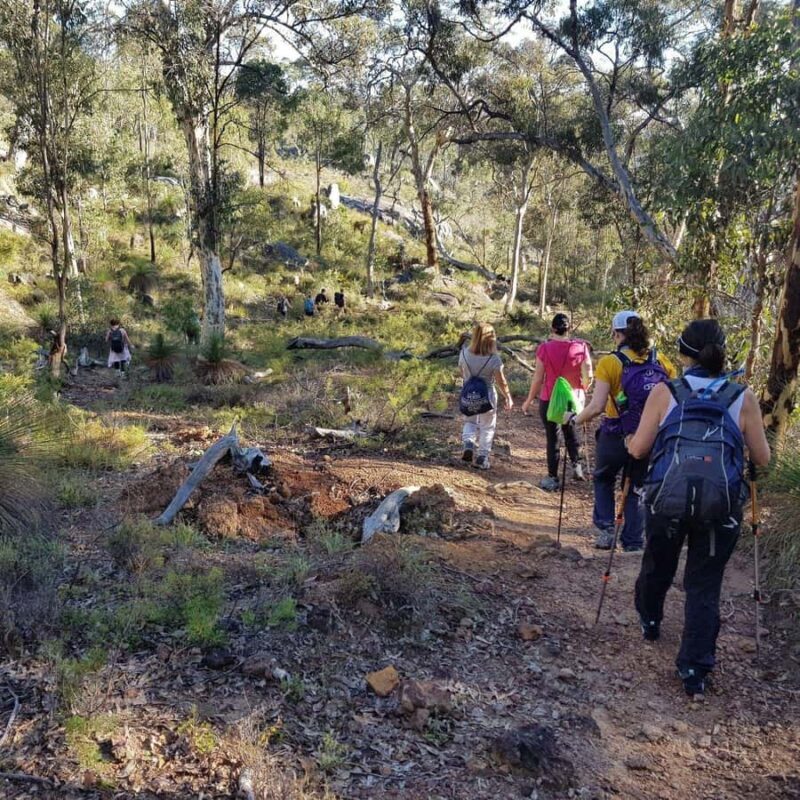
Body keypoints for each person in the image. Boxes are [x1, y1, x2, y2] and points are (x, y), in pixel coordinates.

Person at [627, 319, 770, 697]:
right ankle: (694, 670)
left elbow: (640, 449)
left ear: (683, 354)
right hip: (719, 506)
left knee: (658, 563)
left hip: (666, 502)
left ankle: (650, 618)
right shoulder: (743, 396)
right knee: (704, 585)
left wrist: (628, 445)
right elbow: (763, 457)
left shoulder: (666, 391)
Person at [572, 311, 677, 551]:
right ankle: (633, 541)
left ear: (618, 334)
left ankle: (607, 530)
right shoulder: (661, 361)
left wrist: (575, 420)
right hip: (648, 434)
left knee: (604, 478)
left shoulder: (610, 362)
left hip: (615, 431)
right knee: (636, 486)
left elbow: (597, 406)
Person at [521, 313, 592, 490]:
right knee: (570, 431)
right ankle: (577, 468)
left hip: (549, 399)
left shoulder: (544, 348)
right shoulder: (581, 347)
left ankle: (552, 477)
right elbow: (589, 374)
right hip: (572, 400)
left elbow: (538, 378)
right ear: (568, 329)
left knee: (552, 437)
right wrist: (583, 387)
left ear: (553, 329)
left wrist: (529, 400)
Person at [458, 323, 513, 470]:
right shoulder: (494, 359)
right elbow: (501, 381)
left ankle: (468, 443)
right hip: (488, 396)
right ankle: (482, 457)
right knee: (487, 427)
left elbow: (461, 373)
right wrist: (507, 396)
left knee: (469, 421)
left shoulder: (463, 353)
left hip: (468, 393)